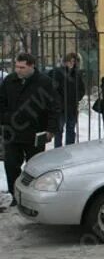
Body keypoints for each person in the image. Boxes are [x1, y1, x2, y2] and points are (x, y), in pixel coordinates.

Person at [0, 53, 60, 205]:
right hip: (12, 132)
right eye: (17, 66)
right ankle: (15, 196)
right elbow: (1, 102)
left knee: (35, 167)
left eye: (22, 67)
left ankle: (32, 197)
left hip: (35, 132)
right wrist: (6, 118)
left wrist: (51, 129)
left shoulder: (45, 82)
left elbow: (54, 107)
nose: (18, 70)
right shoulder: (9, 80)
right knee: (11, 165)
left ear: (32, 66)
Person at [49, 52, 85, 148]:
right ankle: (58, 149)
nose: (72, 64)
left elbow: (82, 89)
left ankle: (70, 148)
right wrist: (58, 101)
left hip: (72, 107)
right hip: (60, 108)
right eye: (70, 61)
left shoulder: (77, 74)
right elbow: (52, 89)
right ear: (65, 62)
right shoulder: (57, 73)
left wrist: (76, 97)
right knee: (59, 130)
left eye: (74, 62)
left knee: (71, 129)